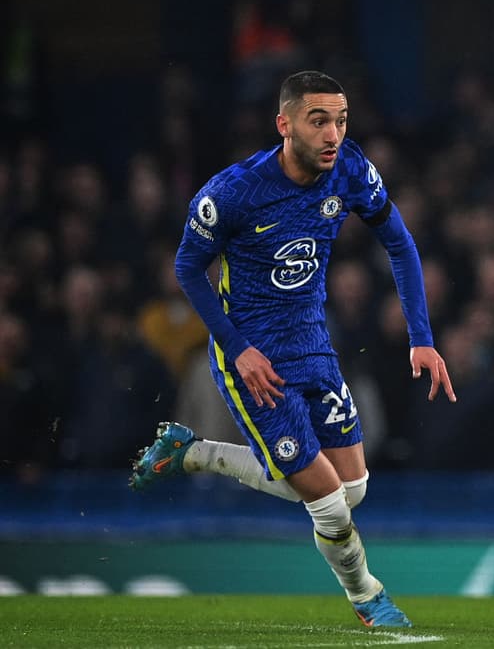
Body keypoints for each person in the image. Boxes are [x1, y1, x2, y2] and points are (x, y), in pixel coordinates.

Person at [129, 70, 455, 629]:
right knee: (326, 502)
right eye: (318, 120)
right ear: (284, 124)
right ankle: (369, 598)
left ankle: (193, 453)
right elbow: (187, 268)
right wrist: (237, 349)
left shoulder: (349, 169)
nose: (333, 134)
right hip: (254, 359)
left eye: (341, 121)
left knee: (353, 489)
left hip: (313, 345)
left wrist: (421, 338)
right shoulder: (233, 192)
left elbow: (399, 243)